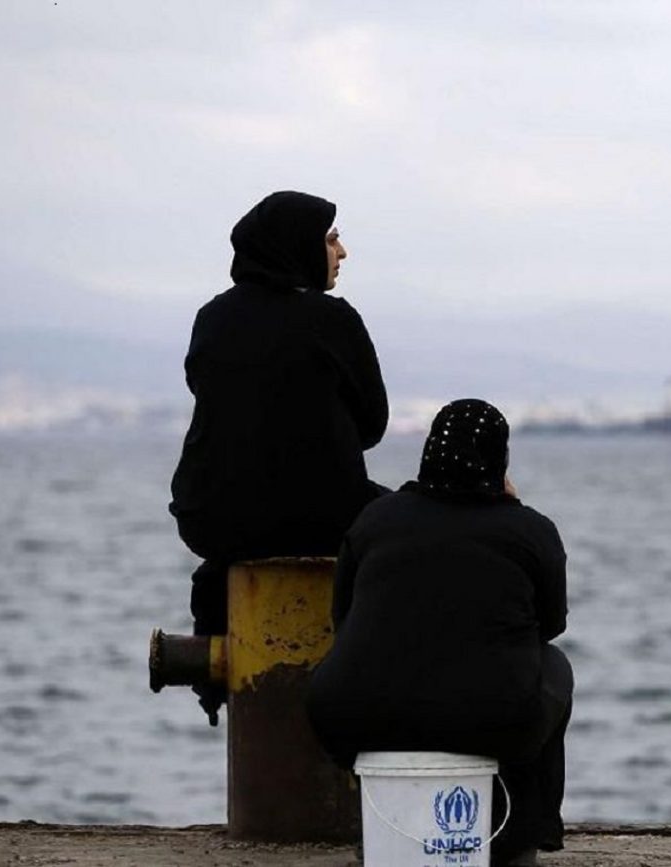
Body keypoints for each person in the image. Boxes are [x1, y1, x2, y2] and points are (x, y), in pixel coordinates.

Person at [306, 399, 572, 867]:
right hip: (490, 721)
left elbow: (342, 618)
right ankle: (520, 839)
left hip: (353, 715)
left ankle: (379, 832)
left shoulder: (375, 519)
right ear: (499, 459)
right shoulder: (530, 530)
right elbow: (550, 626)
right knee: (552, 666)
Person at [170, 190, 389, 723]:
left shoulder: (212, 318)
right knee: (397, 523)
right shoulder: (332, 319)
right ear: (299, 246)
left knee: (238, 542)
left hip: (214, 519)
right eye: (331, 240)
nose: (342, 252)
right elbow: (373, 425)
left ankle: (218, 663)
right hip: (323, 519)